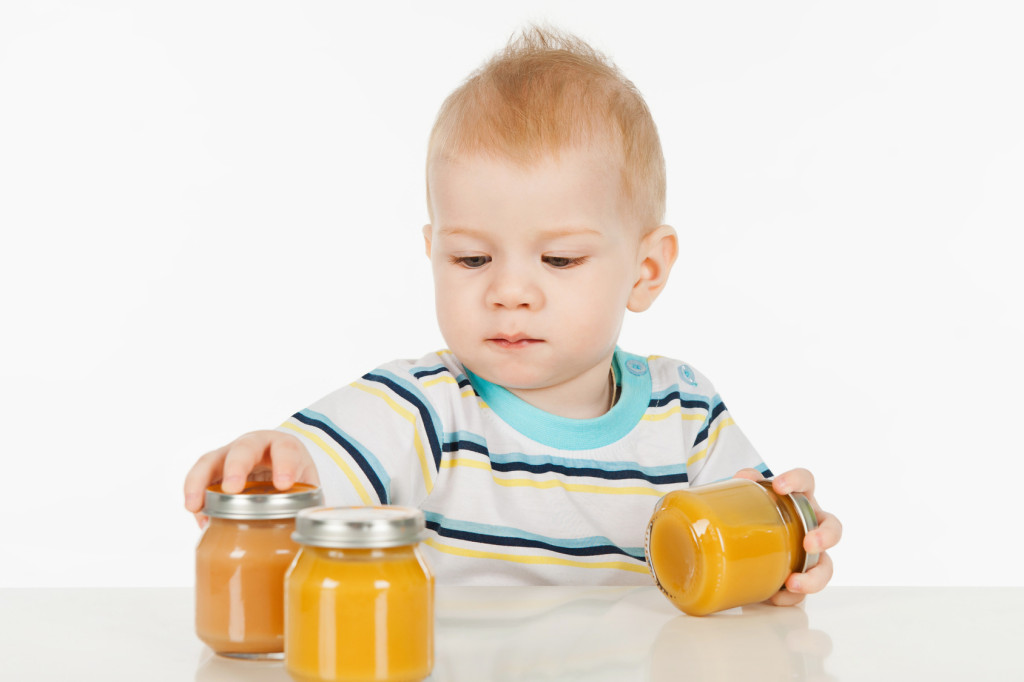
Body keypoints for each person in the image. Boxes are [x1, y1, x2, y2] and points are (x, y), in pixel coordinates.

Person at [184, 27, 840, 603]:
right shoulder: (423, 409)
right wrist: (275, 459)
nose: (509, 292)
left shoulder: (686, 416)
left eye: (558, 260)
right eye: (472, 260)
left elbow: (758, 540)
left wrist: (793, 544)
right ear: (433, 251)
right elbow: (312, 477)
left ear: (646, 270)